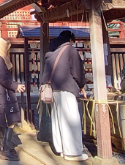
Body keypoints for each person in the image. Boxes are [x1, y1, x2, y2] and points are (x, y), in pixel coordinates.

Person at [40, 30, 87, 161]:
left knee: (57, 120)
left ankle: (60, 148)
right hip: (67, 88)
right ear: (70, 40)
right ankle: (72, 152)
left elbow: (45, 74)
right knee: (71, 119)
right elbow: (77, 71)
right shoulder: (70, 50)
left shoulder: (50, 53)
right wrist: (82, 85)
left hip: (53, 90)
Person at [0, 37, 25, 161]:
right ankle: (5, 149)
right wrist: (16, 86)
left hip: (0, 94)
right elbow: (3, 78)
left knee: (4, 121)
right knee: (10, 121)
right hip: (4, 94)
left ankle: (3, 147)